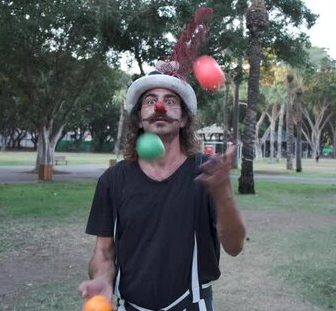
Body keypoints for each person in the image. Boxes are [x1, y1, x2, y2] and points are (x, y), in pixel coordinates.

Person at [78, 68, 246, 311]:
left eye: (170, 101)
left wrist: (222, 191)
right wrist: (102, 279)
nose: (160, 107)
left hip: (192, 304)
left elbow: (235, 246)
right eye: (150, 101)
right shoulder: (112, 180)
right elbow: (104, 251)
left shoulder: (208, 172)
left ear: (185, 119)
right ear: (138, 118)